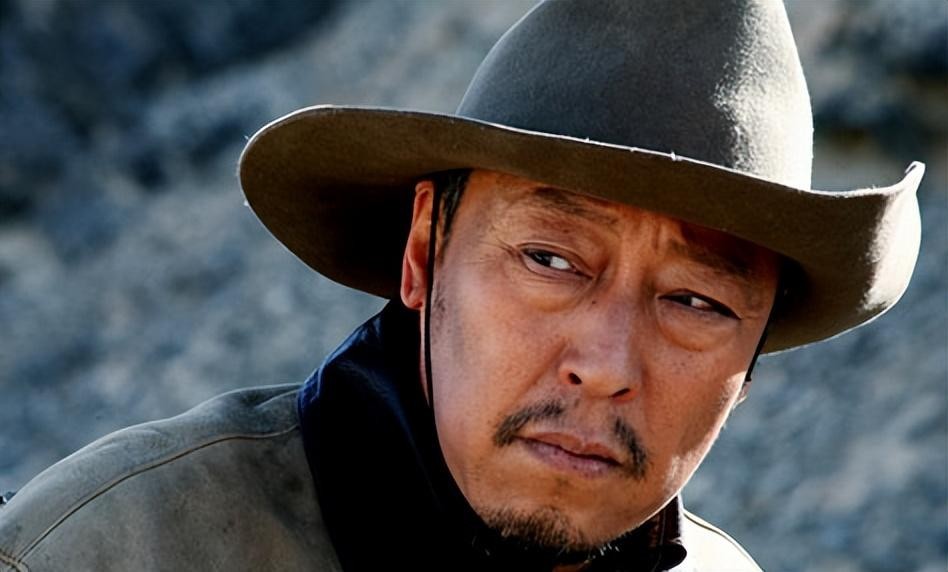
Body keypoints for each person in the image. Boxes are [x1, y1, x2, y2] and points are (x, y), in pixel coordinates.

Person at [0, 0, 924, 570]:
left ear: (752, 362)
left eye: (697, 302)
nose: (606, 366)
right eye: (551, 260)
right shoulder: (110, 549)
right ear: (423, 254)